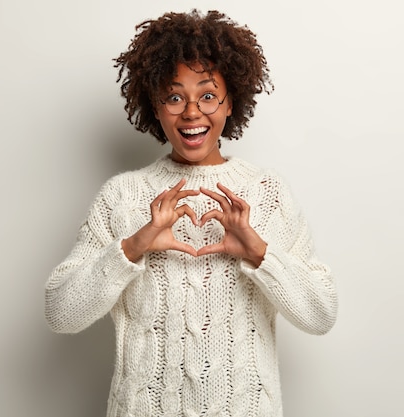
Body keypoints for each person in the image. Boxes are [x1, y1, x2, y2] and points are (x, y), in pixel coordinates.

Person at [45, 9, 338, 417]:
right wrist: (133, 247)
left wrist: (259, 253)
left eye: (207, 95)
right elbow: (61, 313)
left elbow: (321, 314)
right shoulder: (122, 195)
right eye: (175, 96)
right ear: (156, 104)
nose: (191, 112)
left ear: (230, 100)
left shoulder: (267, 193)